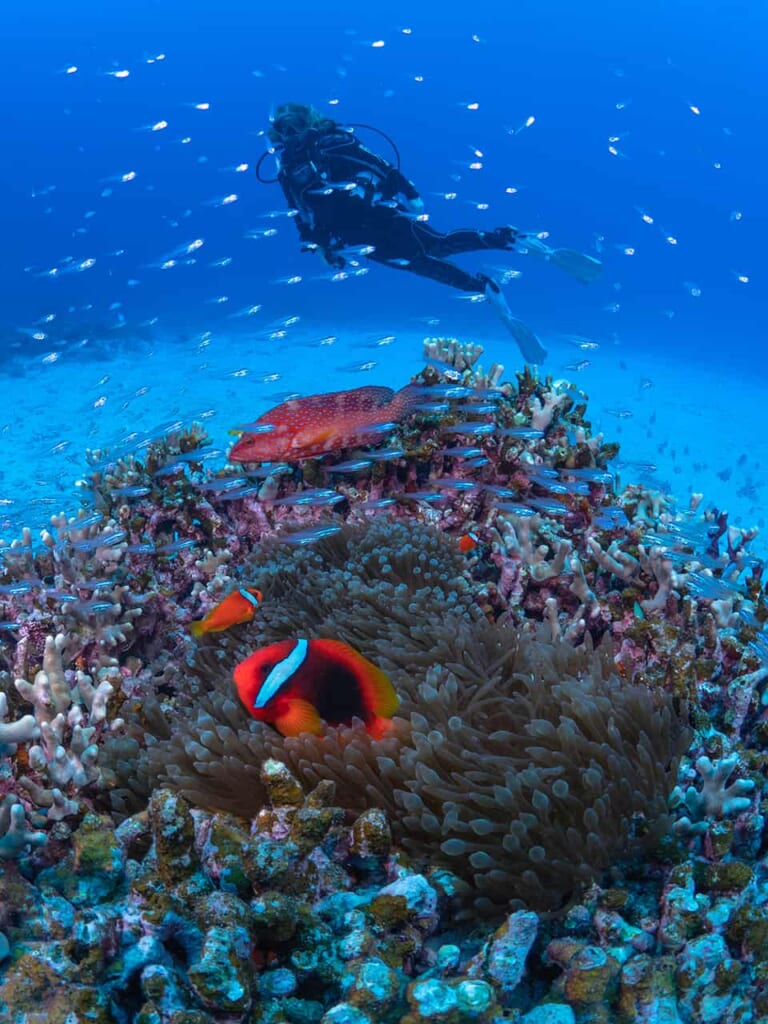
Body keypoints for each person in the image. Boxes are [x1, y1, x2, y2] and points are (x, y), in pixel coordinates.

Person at [257, 102, 602, 364]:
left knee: (437, 247)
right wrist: (319, 246)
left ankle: (513, 242)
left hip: (380, 219)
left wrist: (411, 197)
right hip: (355, 242)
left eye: (293, 127)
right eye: (282, 131)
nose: (289, 136)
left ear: (307, 123)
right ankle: (486, 286)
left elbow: (380, 167)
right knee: (425, 267)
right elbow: (298, 213)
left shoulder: (331, 143)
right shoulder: (287, 169)